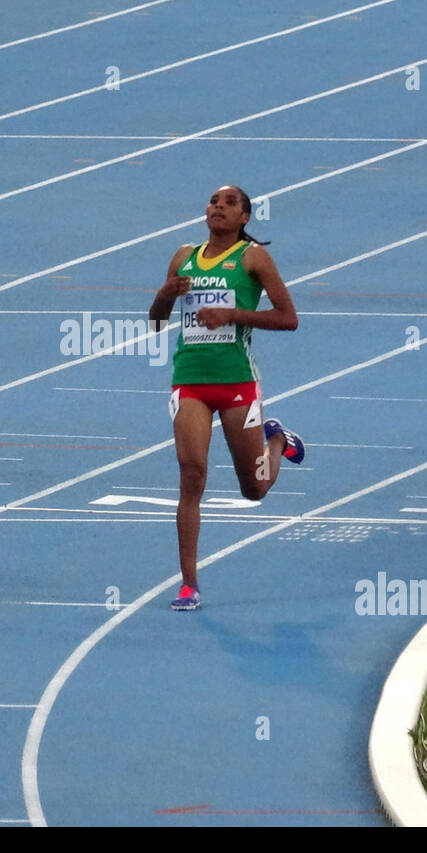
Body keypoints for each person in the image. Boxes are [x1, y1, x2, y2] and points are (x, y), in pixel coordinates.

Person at [148, 185, 303, 611]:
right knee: (191, 473)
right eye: (214, 201)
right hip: (190, 381)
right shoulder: (183, 257)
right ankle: (188, 583)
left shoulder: (253, 259)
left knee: (253, 490)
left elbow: (288, 318)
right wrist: (163, 296)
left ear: (244, 218)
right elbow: (157, 323)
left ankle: (278, 442)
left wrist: (231, 315)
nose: (218, 207)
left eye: (229, 203)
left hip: (236, 383)